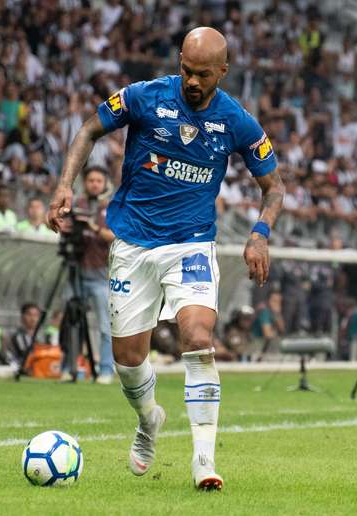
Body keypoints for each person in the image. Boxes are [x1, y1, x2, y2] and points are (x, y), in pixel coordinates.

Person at [47, 27, 284, 490]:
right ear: (179, 62)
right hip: (133, 244)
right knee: (128, 360)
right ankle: (149, 418)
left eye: (203, 74)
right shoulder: (142, 97)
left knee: (197, 335)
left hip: (191, 244)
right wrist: (63, 186)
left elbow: (274, 187)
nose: (192, 81)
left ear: (223, 72)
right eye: (186, 71)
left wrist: (259, 234)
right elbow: (89, 130)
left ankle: (203, 461)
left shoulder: (237, 121)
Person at [62, 165, 116, 384]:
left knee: (105, 325)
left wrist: (92, 227)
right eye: (90, 180)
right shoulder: (77, 205)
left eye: (98, 181)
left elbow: (114, 236)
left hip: (100, 274)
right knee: (71, 321)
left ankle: (105, 370)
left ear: (105, 184)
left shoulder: (111, 207)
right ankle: (68, 368)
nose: (94, 184)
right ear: (85, 183)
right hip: (76, 271)